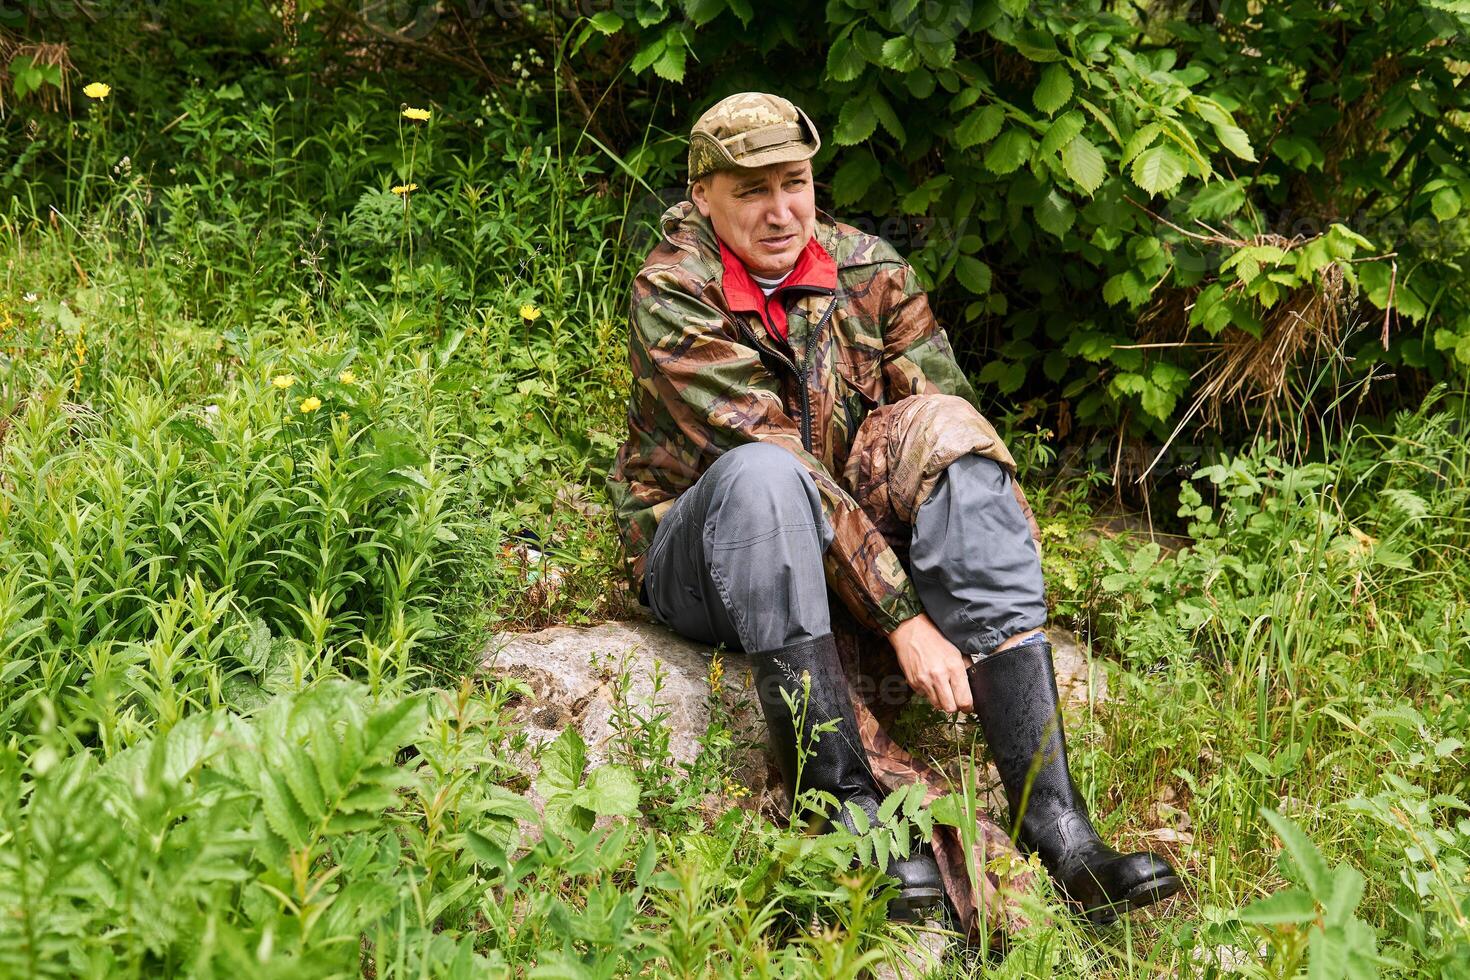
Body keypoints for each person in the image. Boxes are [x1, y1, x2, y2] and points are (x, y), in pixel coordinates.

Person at [607, 92, 1180, 927]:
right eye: (751, 190)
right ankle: (845, 807)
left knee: (953, 432)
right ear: (702, 195)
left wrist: (934, 580)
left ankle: (1055, 825)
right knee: (768, 474)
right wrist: (905, 617)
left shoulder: (869, 267)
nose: (780, 212)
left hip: (846, 538)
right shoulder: (673, 290)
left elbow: (948, 440)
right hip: (707, 559)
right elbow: (779, 458)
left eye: (795, 183)